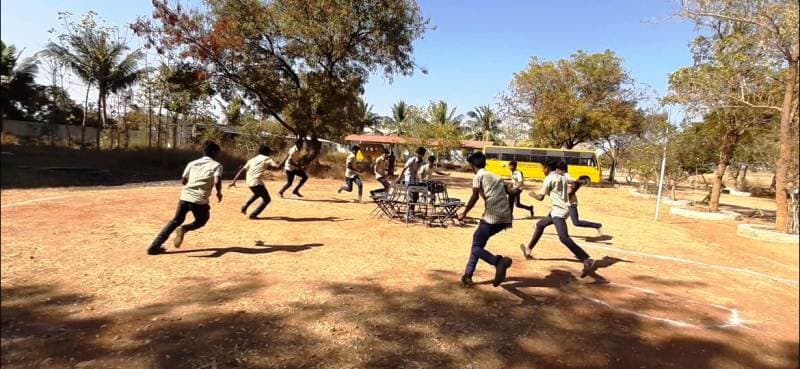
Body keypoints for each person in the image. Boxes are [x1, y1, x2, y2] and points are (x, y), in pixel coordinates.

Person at [519, 159, 597, 278]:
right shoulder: (563, 176)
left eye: (543, 168)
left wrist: (532, 194)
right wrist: (577, 185)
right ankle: (528, 250)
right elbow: (575, 181)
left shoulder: (549, 179)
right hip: (562, 209)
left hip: (559, 212)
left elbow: (540, 198)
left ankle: (586, 259)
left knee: (563, 237)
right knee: (540, 224)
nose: (542, 170)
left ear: (547, 168)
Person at [147, 141, 223, 255]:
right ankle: (184, 229)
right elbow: (217, 180)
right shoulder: (217, 165)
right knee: (202, 220)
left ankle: (154, 246)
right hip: (199, 199)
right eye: (218, 153)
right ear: (213, 152)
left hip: (185, 196)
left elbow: (184, 181)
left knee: (175, 220)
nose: (218, 155)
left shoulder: (192, 163)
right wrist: (219, 192)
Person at [458, 152, 514, 288]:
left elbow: (475, 196)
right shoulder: (495, 176)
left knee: (476, 246)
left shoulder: (478, 176)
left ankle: (497, 261)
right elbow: (509, 192)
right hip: (505, 218)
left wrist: (464, 213)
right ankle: (467, 276)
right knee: (478, 242)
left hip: (492, 217)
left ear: (472, 165)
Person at [229, 144, 281, 219]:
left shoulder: (252, 159)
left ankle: (245, 206)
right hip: (256, 181)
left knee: (257, 194)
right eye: (269, 152)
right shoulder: (267, 159)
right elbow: (277, 167)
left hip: (249, 181)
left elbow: (241, 171)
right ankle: (253, 214)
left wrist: (233, 182)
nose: (269, 153)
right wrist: (284, 161)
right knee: (267, 199)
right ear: (266, 152)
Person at [558, 161, 603, 236]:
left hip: (571, 203)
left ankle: (597, 225)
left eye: (558, 170)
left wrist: (578, 182)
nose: (556, 171)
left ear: (562, 170)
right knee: (554, 216)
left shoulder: (566, 176)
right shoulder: (560, 177)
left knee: (576, 222)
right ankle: (540, 225)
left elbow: (573, 183)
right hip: (564, 203)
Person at [395, 147, 426, 220]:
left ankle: (412, 212)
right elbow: (404, 168)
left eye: (422, 154)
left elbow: (417, 171)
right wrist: (399, 178)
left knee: (416, 195)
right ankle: (408, 213)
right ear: (416, 154)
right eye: (419, 154)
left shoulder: (421, 161)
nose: (420, 155)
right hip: (408, 178)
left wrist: (420, 179)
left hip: (415, 179)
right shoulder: (412, 160)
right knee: (410, 196)